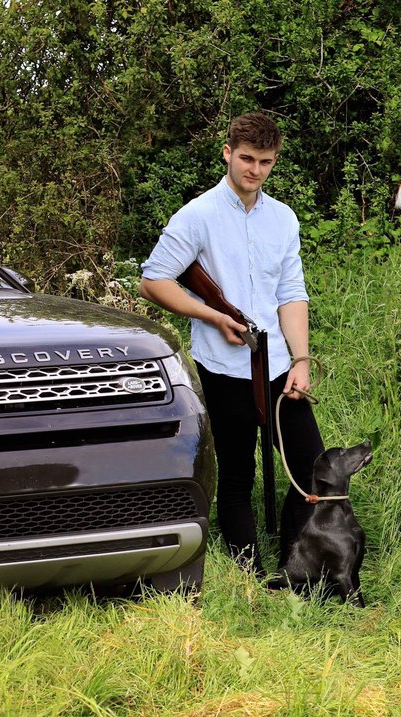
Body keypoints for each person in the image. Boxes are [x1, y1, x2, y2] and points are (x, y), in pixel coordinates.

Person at [139, 111, 322, 578]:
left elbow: (292, 294)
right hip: (223, 366)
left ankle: (296, 569)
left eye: (265, 162)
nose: (254, 170)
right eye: (246, 158)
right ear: (227, 152)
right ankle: (249, 574)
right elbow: (154, 280)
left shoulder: (283, 219)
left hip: (279, 363)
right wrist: (212, 315)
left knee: (311, 469)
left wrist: (301, 358)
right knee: (237, 473)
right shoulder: (197, 215)